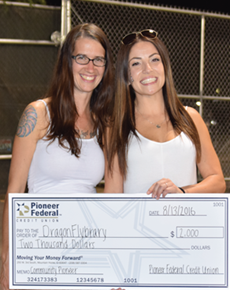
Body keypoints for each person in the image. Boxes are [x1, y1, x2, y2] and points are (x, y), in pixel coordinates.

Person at [0, 23, 114, 290]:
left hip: (87, 248)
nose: (90, 67)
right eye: (82, 58)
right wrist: (5, 257)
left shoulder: (104, 123)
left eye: (98, 60)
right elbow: (15, 190)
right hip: (42, 246)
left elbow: (112, 191)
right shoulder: (38, 113)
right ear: (67, 62)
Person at [104, 29, 226, 197]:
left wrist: (181, 192)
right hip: (137, 223)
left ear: (164, 67)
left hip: (184, 222)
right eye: (136, 63)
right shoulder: (116, 126)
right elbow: (113, 194)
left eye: (154, 60)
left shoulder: (191, 118)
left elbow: (217, 181)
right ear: (126, 74)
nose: (148, 69)